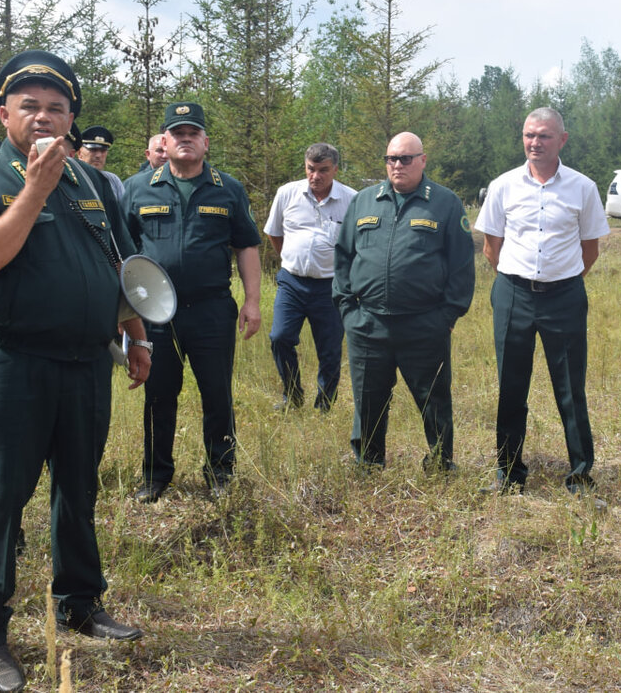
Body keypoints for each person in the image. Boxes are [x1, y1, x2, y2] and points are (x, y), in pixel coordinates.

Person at [0, 51, 149, 692]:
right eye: (29, 105)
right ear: (5, 113)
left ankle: (81, 604)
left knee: (78, 489)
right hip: (12, 362)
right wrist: (33, 188)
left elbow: (117, 261)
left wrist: (136, 334)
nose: (44, 116)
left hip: (87, 361)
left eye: (57, 107)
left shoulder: (92, 184)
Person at [123, 101, 262, 503]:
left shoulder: (228, 188)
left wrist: (252, 301)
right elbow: (122, 254)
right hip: (154, 313)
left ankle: (221, 473)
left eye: (193, 133)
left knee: (216, 393)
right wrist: (123, 313)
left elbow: (247, 247)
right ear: (163, 142)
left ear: (205, 142)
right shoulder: (138, 188)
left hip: (211, 310)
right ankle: (155, 476)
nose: (185, 139)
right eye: (177, 133)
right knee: (158, 395)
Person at [474, 107, 610, 501]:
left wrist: (559, 281)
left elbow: (590, 249)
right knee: (510, 386)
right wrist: (520, 281)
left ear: (562, 140)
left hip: (564, 297)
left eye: (545, 136)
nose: (535, 143)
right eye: (529, 135)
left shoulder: (583, 188)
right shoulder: (503, 185)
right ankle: (509, 472)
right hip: (513, 293)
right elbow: (491, 247)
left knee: (570, 387)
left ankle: (581, 476)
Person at [332, 132, 474, 471]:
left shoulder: (444, 202)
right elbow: (343, 257)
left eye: (406, 158)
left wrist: (447, 316)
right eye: (391, 159)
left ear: (423, 160)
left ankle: (440, 462)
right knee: (368, 399)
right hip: (368, 323)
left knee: (433, 400)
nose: (397, 165)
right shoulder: (365, 201)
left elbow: (461, 265)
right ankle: (368, 461)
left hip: (424, 324)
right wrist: (348, 309)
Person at [264, 143, 353, 412]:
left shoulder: (352, 200)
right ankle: (292, 396)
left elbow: (358, 244)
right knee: (280, 337)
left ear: (335, 169)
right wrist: (293, 259)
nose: (316, 176)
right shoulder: (287, 193)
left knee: (329, 349)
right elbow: (274, 233)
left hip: (331, 286)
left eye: (323, 170)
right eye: (311, 169)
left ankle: (325, 404)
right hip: (292, 282)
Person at [78, 125, 124, 201]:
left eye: (103, 151)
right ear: (80, 153)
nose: (98, 155)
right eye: (93, 150)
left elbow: (123, 210)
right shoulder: (73, 180)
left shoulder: (113, 180)